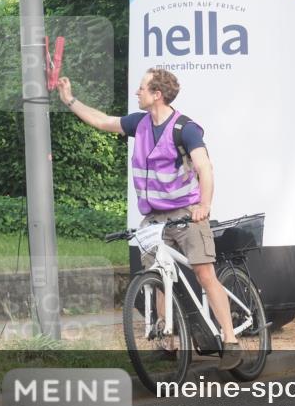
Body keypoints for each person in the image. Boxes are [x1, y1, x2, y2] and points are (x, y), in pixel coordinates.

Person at [57, 69, 242, 370]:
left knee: (204, 273)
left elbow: (205, 168)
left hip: (186, 212)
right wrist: (69, 100)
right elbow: (103, 121)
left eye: (141, 88)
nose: (136, 93)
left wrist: (203, 205)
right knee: (157, 275)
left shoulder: (186, 129)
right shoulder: (139, 124)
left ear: (157, 94)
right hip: (154, 216)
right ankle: (168, 341)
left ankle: (231, 341)